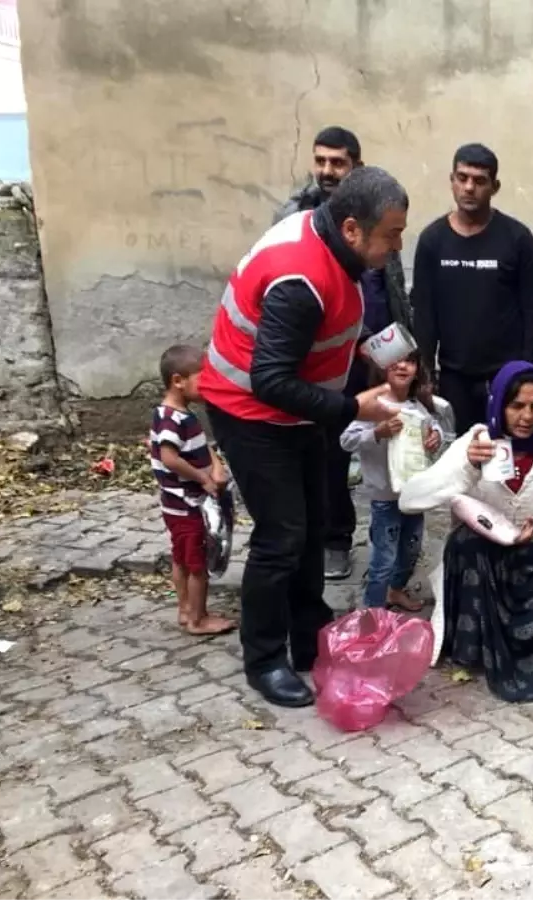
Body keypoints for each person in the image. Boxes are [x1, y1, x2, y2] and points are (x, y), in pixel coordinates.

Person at [201, 167, 409, 708]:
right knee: (281, 534)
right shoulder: (300, 278)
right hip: (250, 411)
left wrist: (366, 352)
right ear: (351, 229)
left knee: (314, 523)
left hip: (298, 411)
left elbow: (322, 334)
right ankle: (264, 659)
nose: (397, 244)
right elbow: (269, 379)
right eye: (390, 234)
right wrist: (348, 407)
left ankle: (307, 633)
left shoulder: (334, 250)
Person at [399, 361, 533, 701]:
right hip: (488, 559)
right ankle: (475, 646)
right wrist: (468, 467)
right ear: (499, 404)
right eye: (516, 405)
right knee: (463, 543)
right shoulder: (475, 443)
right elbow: (409, 500)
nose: (527, 416)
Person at [272, 125, 413, 581]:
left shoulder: (379, 215)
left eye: (338, 162)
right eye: (321, 161)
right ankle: (332, 541)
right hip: (318, 360)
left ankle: (388, 538)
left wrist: (397, 347)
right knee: (330, 448)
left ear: (356, 167)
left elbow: (393, 286)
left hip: (370, 348)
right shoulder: (296, 220)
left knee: (384, 436)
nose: (327, 171)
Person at [412, 144, 533, 431]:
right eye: (462, 178)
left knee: (505, 460)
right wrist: (424, 373)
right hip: (452, 377)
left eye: (479, 180)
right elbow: (424, 312)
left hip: (506, 377)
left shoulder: (517, 239)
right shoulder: (432, 241)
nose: (469, 187)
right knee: (458, 461)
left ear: (494, 186)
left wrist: (526, 373)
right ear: (452, 180)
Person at [339, 353, 451, 611]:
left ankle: (396, 591)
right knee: (384, 559)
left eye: (409, 361)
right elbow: (346, 441)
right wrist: (376, 433)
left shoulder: (418, 406)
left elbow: (434, 427)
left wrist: (435, 435)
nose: (402, 366)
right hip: (385, 498)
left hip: (413, 496)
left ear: (417, 370)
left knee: (410, 551)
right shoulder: (371, 407)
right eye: (395, 361)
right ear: (382, 369)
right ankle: (372, 610)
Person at [149, 345, 236, 637]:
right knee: (197, 563)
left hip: (181, 504)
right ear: (178, 381)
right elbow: (169, 458)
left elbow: (201, 445)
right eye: (204, 378)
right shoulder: (171, 419)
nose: (209, 385)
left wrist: (216, 465)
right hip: (185, 504)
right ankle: (198, 619)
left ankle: (186, 609)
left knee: (182, 558)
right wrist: (202, 478)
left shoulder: (183, 415)